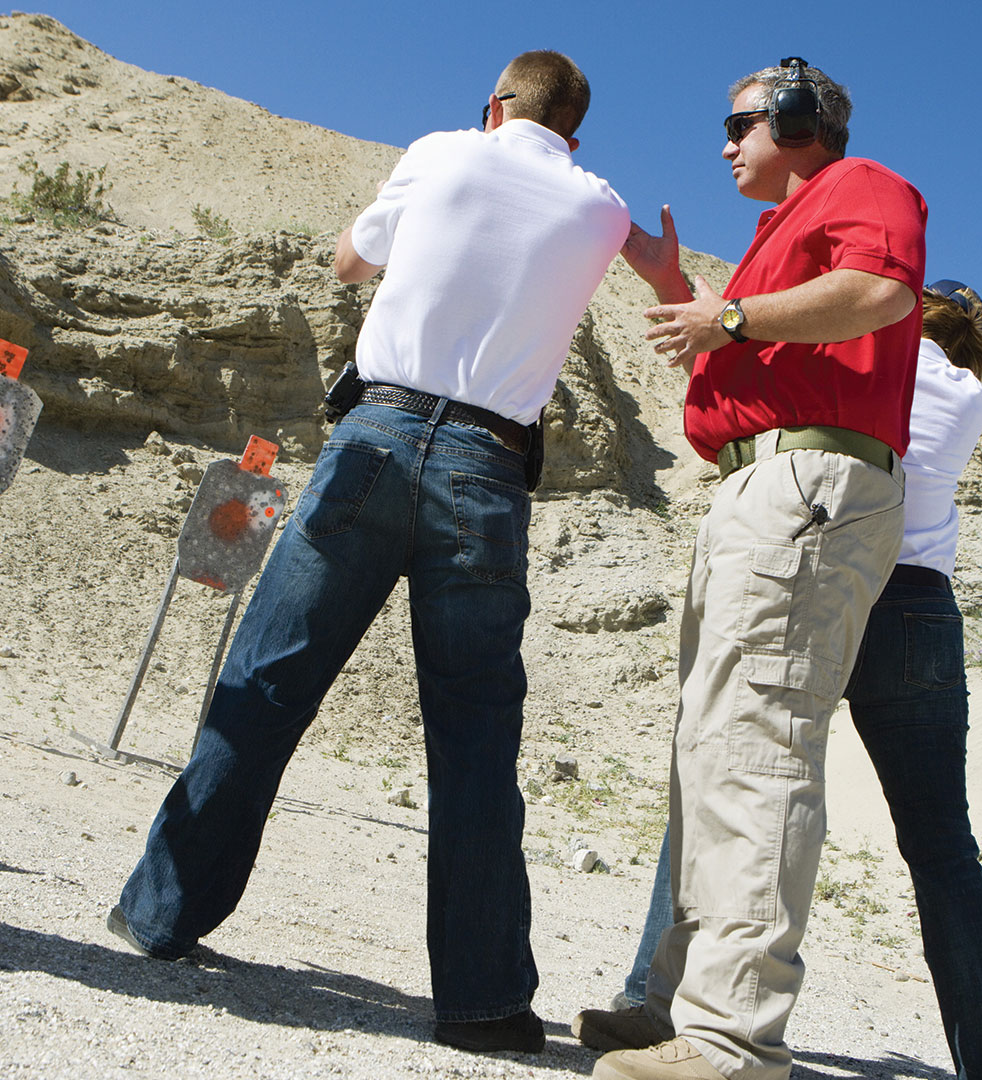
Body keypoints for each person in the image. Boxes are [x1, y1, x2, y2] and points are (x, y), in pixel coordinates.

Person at [107, 49, 630, 1054]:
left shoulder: (440, 152)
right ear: (573, 130)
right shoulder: (599, 204)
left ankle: (164, 913)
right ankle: (483, 1004)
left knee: (266, 683)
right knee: (476, 741)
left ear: (493, 105)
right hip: (489, 467)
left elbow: (352, 259)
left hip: (376, 440)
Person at [575, 59, 927, 1080]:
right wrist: (678, 291)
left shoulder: (860, 188)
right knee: (714, 749)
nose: (725, 145)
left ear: (801, 118)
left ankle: (730, 1041)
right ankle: (681, 1007)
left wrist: (726, 314)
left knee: (758, 741)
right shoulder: (783, 234)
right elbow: (727, 370)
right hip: (762, 487)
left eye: (739, 124)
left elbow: (879, 292)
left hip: (805, 484)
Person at [593, 280, 982, 1080]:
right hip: (918, 602)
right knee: (942, 845)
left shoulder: (866, 356)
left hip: (830, 571)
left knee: (725, 783)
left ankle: (655, 1006)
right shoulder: (972, 396)